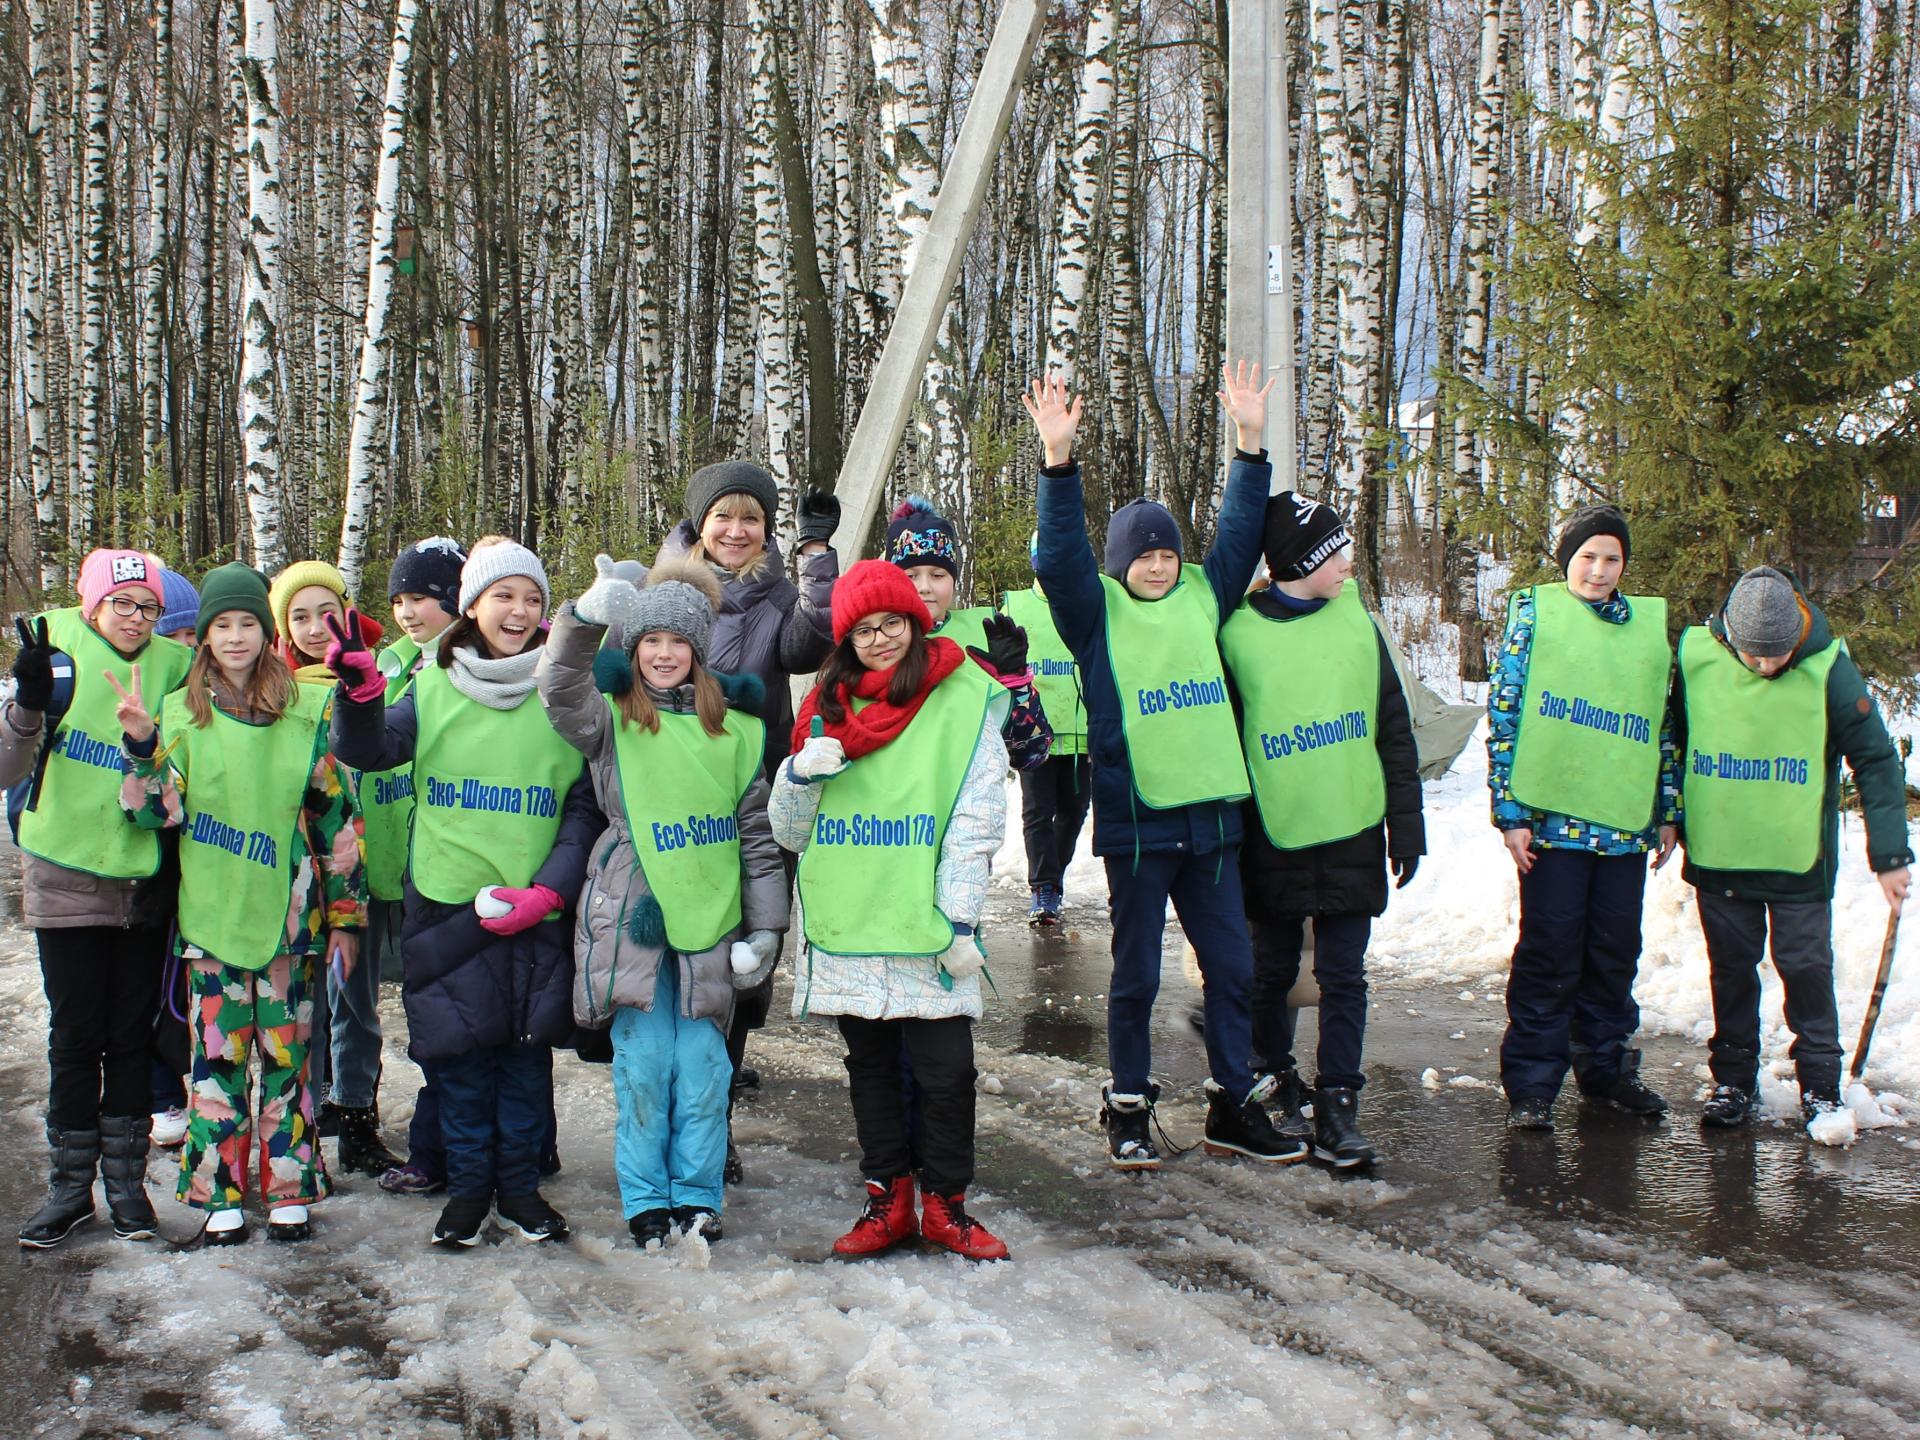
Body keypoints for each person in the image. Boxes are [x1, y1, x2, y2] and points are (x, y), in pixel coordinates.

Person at [1025, 365, 1300, 1170]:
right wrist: (1058, 459)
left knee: (1236, 971)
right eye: (1142, 556)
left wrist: (1249, 442)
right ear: (1120, 565)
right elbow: (1065, 554)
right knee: (1137, 977)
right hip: (1139, 825)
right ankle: (1130, 1104)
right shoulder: (1094, 614)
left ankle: (1232, 1102)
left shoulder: (1205, 596)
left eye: (1167, 552)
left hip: (1212, 820)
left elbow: (1242, 529)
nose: (1157, 564)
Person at [328, 537, 596, 1247]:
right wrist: (357, 698)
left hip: (533, 908)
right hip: (446, 907)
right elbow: (370, 750)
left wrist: (550, 891)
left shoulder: (565, 690)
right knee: (459, 1061)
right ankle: (469, 1191)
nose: (518, 609)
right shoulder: (434, 683)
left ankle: (519, 1191)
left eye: (533, 598)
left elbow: (583, 807)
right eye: (503, 595)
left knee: (524, 1061)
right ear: (471, 605)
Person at [537, 555, 788, 1246]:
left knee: (705, 1070)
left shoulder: (734, 731)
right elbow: (557, 688)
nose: (665, 653)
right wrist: (584, 619)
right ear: (634, 647)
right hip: (632, 922)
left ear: (699, 650)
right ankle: (647, 1199)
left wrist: (766, 930)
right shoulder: (612, 722)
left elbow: (757, 839)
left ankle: (698, 1197)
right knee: (644, 1069)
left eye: (678, 642)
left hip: (711, 923)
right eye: (651, 640)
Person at [115, 562, 365, 1245]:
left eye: (247, 624)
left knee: (288, 1062)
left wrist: (344, 917)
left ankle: (289, 1186)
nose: (234, 637)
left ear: (266, 631)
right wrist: (141, 748)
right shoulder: (180, 715)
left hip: (290, 928)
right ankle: (218, 1189)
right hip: (213, 925)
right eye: (221, 625)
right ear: (204, 637)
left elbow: (335, 823)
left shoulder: (305, 714)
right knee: (217, 1066)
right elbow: (151, 814)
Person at [768, 560, 1011, 1260]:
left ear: (914, 620)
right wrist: (797, 776)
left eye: (892, 624)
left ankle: (946, 1205)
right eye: (864, 630)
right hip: (851, 921)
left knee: (946, 1073)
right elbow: (789, 831)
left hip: (928, 924)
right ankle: (888, 1199)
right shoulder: (826, 707)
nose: (879, 640)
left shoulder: (963, 695)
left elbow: (976, 819)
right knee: (870, 1068)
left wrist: (959, 922)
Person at [1219, 494, 1425, 1169]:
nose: (1347, 563)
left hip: (1351, 823)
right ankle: (1276, 1076)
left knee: (1344, 974)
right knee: (1271, 971)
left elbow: (1393, 728)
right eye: (1334, 552)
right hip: (1272, 831)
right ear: (1303, 561)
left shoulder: (1356, 624)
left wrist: (1406, 821)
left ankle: (1340, 1104)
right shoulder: (1239, 634)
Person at [652, 463, 841, 1184]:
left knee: (742, 963)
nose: (737, 531)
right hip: (677, 805)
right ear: (700, 522)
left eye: (752, 519)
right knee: (678, 960)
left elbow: (814, 641)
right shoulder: (663, 593)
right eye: (724, 516)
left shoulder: (779, 595)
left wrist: (818, 556)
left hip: (754, 801)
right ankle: (672, 1104)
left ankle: (715, 1113)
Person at [1674, 566, 1912, 1132]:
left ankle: (1822, 1089)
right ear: (1730, 635)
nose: (1763, 666)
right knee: (1731, 970)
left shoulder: (1829, 670)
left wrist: (1890, 854)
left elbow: (1876, 760)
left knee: (1806, 968)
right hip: (1721, 849)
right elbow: (1674, 740)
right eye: (1752, 655)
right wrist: (1667, 817)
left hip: (1798, 857)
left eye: (1774, 655)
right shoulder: (1697, 657)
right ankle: (1732, 1080)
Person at [7, 550, 195, 1248]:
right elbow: (6, 769)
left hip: (144, 879)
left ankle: (126, 1188)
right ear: (92, 605)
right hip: (64, 871)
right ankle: (68, 1190)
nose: (136, 619)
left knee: (129, 1036)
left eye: (148, 607)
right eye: (122, 605)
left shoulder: (176, 666)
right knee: (75, 1035)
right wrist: (27, 706)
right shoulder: (53, 657)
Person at [1488, 504, 1680, 1130]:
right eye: (1587, 557)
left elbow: (1664, 728)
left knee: (1613, 950)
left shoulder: (1647, 631)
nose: (1598, 571)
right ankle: (1534, 1083)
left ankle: (1606, 1067)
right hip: (1551, 825)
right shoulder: (1536, 617)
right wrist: (1510, 814)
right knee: (1550, 949)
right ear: (1567, 559)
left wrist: (1668, 811)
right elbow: (1507, 716)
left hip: (1624, 827)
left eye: (1611, 558)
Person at [268, 560, 399, 1178]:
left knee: (356, 1000)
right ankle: (300, 1124)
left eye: (327, 613)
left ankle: (357, 1118)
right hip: (294, 875)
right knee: (300, 1004)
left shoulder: (381, 676)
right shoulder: (270, 688)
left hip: (359, 871)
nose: (315, 629)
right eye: (298, 616)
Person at [363, 537, 469, 1197]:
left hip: (448, 870)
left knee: (455, 1019)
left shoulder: (466, 670)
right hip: (387, 869)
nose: (407, 611)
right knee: (411, 1012)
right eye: (399, 598)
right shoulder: (385, 665)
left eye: (423, 597)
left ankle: (454, 1147)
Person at [885, 495, 1053, 771]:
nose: (924, 587)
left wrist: (1016, 685)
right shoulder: (875, 643)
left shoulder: (983, 637)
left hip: (968, 800)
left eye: (938, 575)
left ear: (953, 580)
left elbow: (1031, 754)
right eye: (910, 575)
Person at [1004, 534, 1090, 925]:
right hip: (1033, 729)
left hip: (1081, 729)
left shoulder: (1090, 601)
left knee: (1073, 812)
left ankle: (1052, 879)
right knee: (1038, 812)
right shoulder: (1015, 603)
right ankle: (1044, 887)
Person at [148, 568, 202, 1153]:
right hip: (150, 873)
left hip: (203, 873)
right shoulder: (151, 701)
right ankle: (163, 1093)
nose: (184, 651)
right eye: (175, 639)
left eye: (192, 639)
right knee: (159, 991)